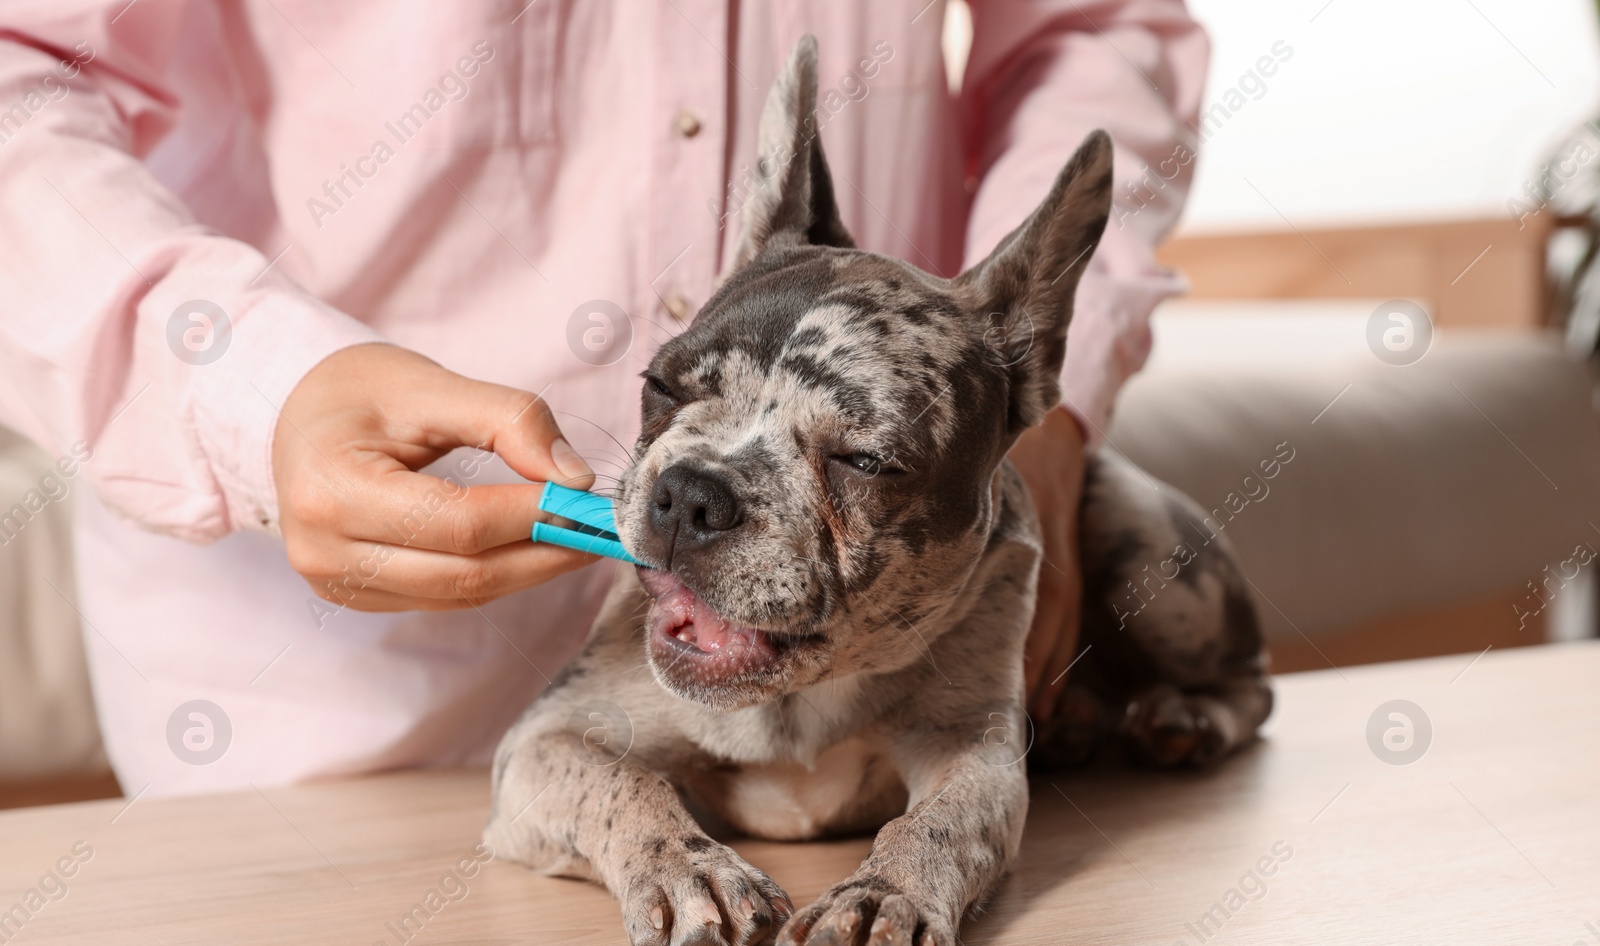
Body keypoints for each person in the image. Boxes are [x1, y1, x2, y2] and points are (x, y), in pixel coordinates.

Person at [0, 2, 1206, 794]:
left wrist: (1024, 393)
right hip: (328, 728)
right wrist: (253, 387)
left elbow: (1093, 29)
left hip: (869, 738)